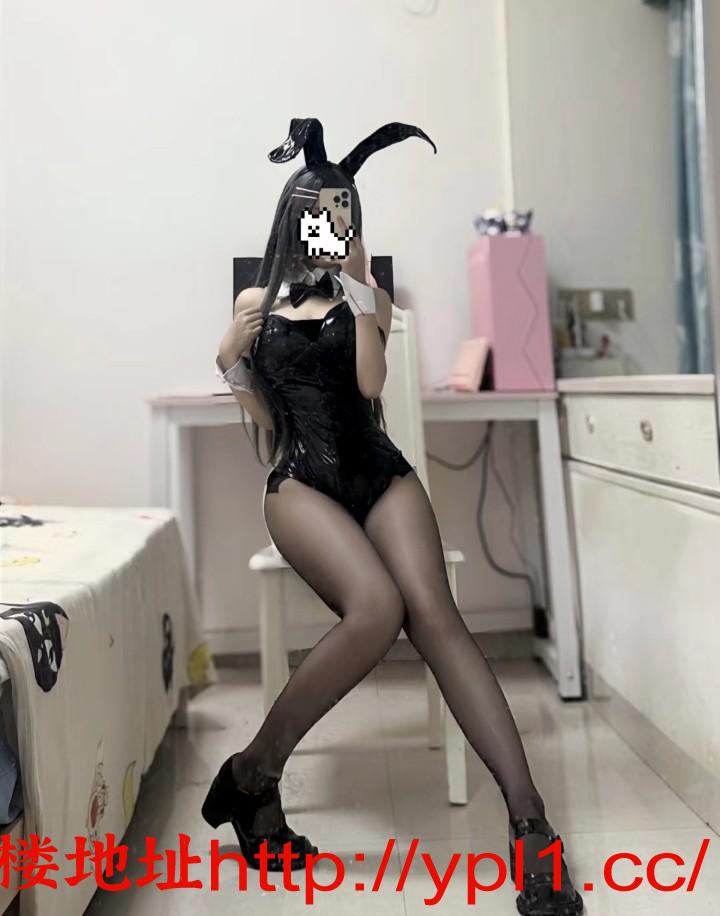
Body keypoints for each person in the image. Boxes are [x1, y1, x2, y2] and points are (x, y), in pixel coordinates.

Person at [204, 117, 583, 916]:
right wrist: (230, 357)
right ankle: (255, 773)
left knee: (434, 614)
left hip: (376, 470)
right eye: (322, 212)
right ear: (296, 215)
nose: (333, 223)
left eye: (344, 212)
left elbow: (372, 386)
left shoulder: (365, 294)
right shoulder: (254, 302)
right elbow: (266, 426)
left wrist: (364, 293)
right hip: (300, 482)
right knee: (376, 608)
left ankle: (531, 823)